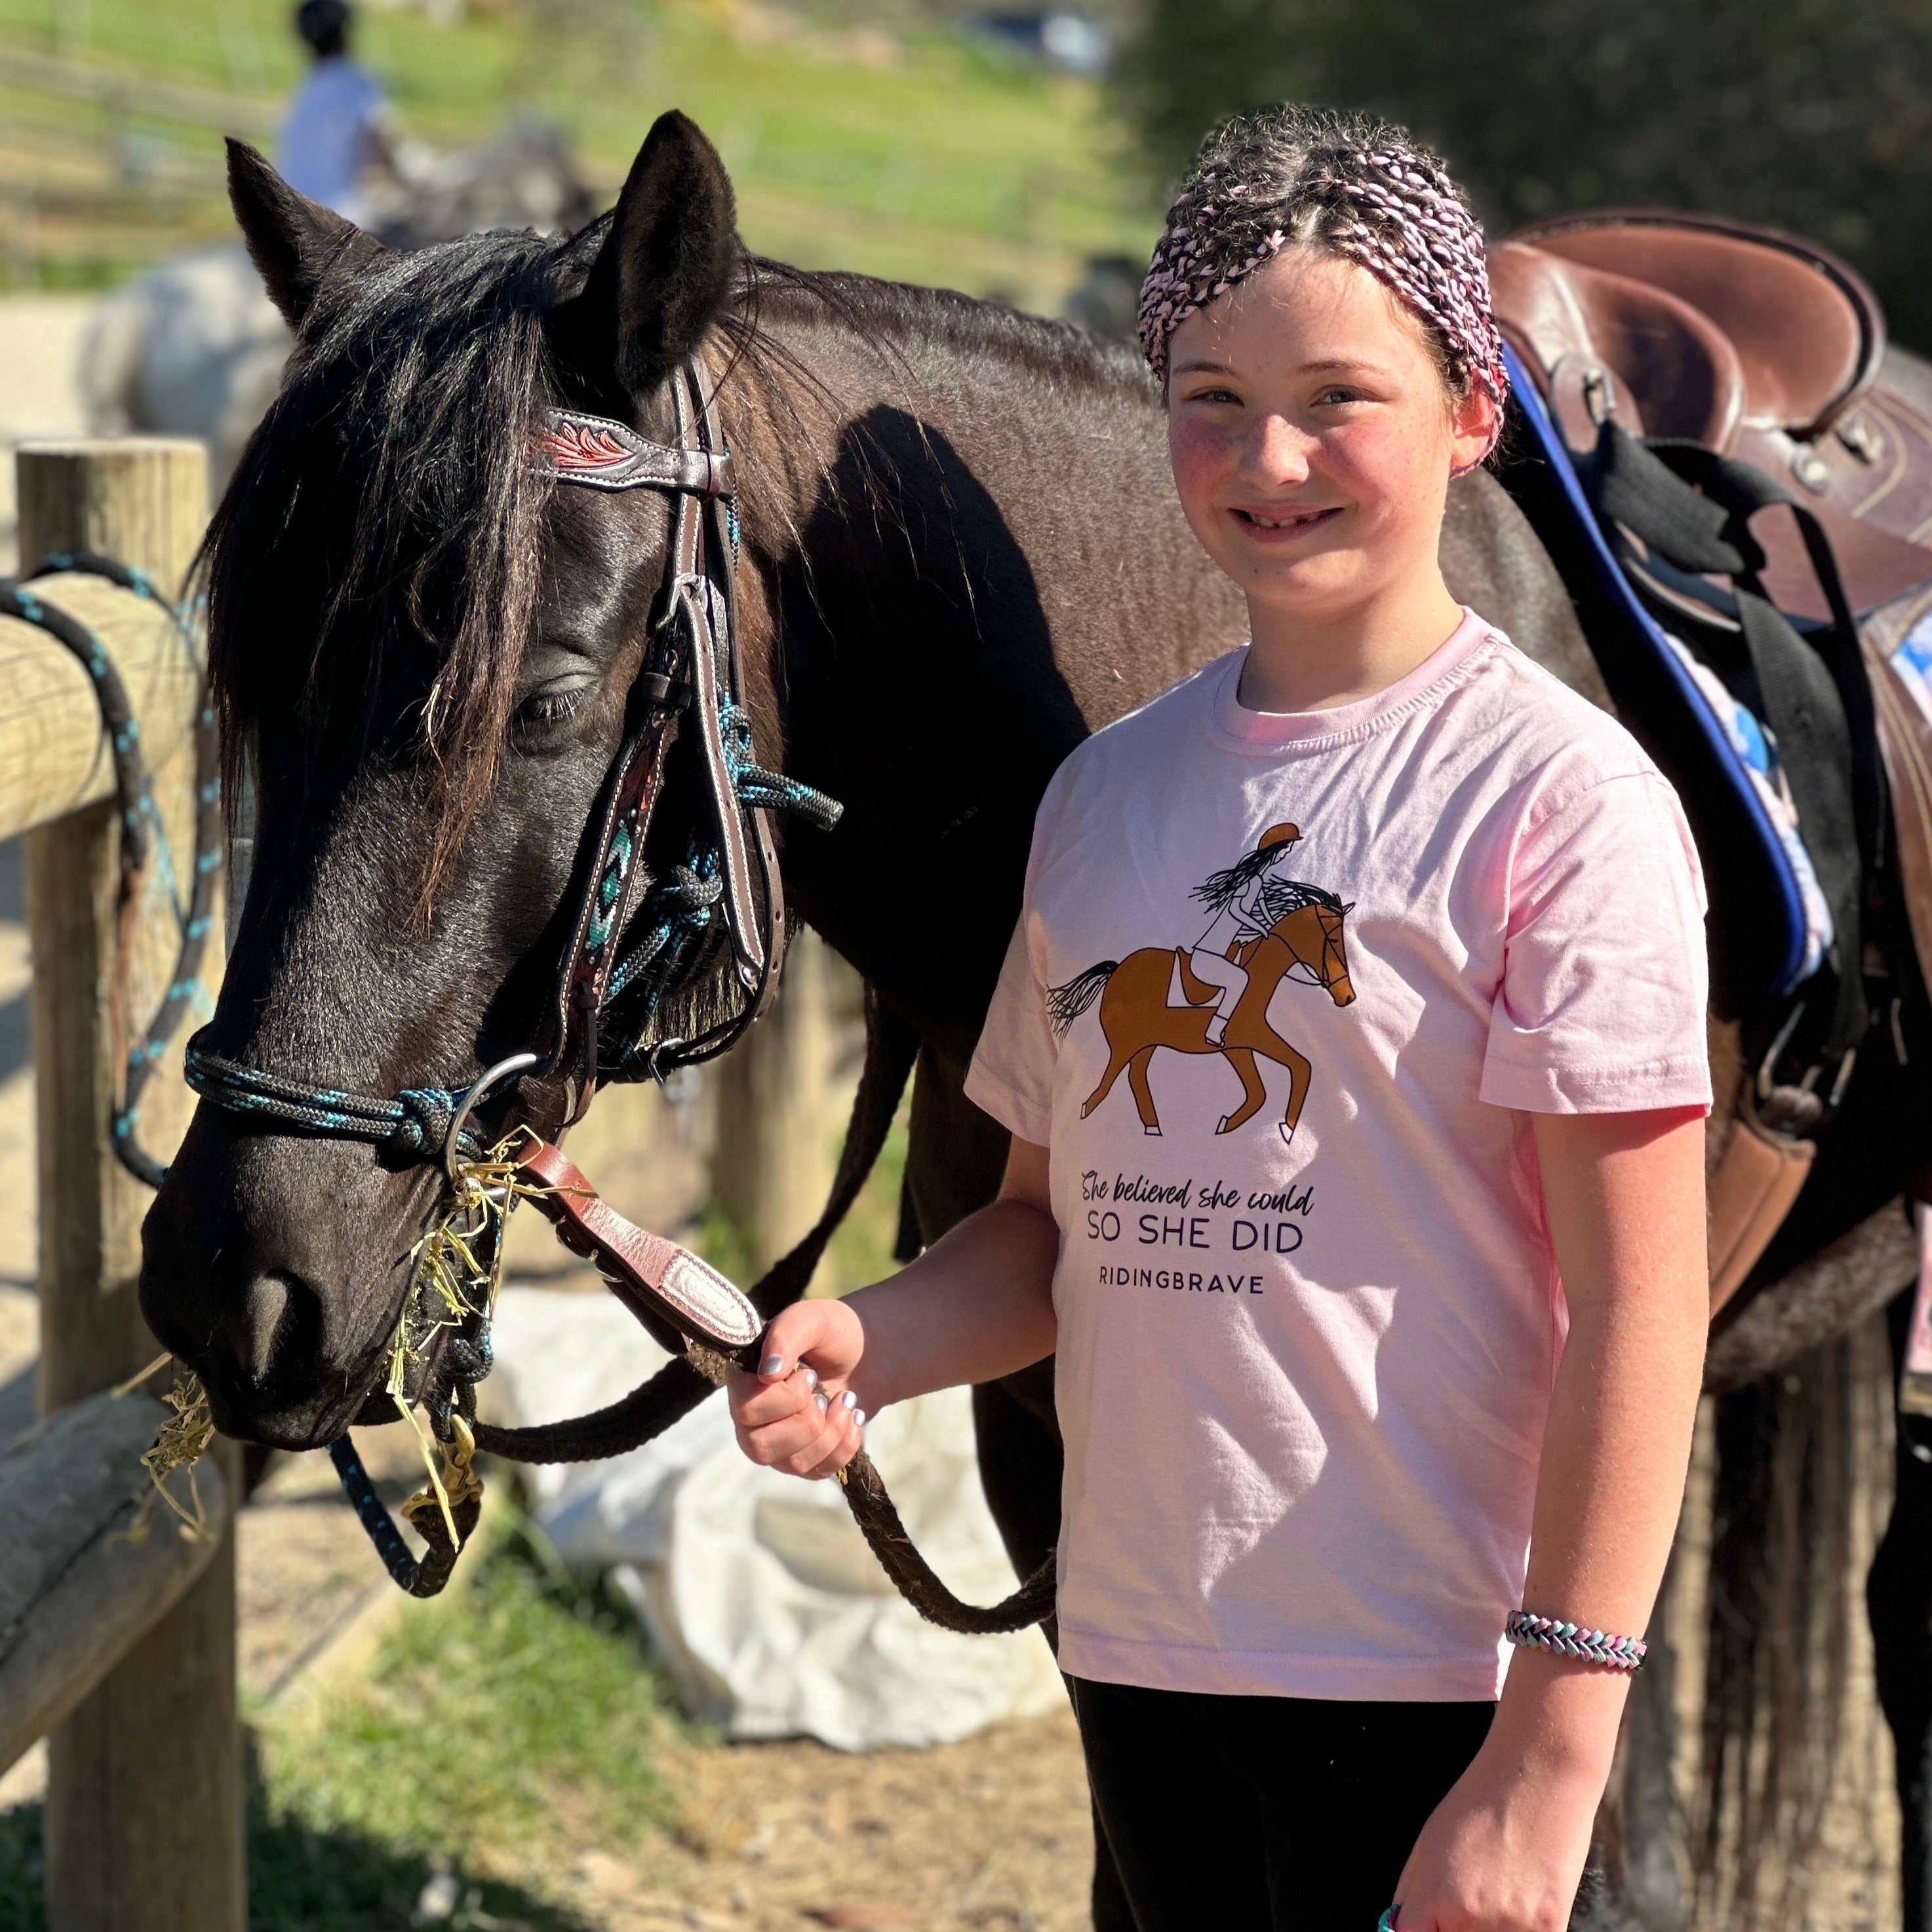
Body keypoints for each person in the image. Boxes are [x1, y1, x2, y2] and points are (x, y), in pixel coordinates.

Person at [729, 104, 1711, 1932]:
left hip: (1427, 1678)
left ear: (1469, 409)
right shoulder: (1102, 801)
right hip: (1134, 1646)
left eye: (1340, 394)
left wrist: (1554, 1742)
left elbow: (1641, 1301)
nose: (1270, 455)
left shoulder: (1557, 801)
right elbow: (1043, 1231)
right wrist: (864, 1343)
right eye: (1207, 396)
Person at [277, 0, 390, 226]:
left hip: (292, 217)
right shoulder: (357, 83)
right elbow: (380, 151)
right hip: (340, 213)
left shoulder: (306, 88)